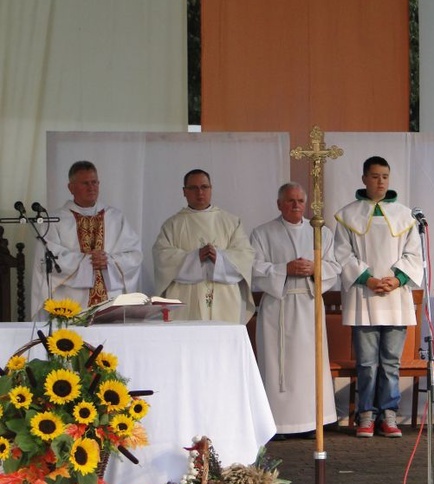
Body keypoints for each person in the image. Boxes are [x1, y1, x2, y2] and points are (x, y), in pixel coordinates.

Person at [334, 156, 423, 438]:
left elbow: (414, 255)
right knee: (367, 362)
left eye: (385, 176)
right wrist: (368, 278)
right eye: (374, 176)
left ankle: (389, 415)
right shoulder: (348, 215)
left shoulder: (406, 215)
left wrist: (396, 279)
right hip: (364, 295)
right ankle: (366, 415)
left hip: (395, 297)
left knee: (390, 361)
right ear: (364, 179)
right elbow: (342, 254)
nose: (380, 181)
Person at [250, 182, 341, 439]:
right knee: (277, 363)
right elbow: (254, 267)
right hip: (277, 307)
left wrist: (315, 269)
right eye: (290, 201)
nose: (296, 205)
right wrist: (284, 269)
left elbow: (335, 266)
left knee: (309, 364)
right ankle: (277, 424)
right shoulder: (262, 233)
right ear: (279, 204)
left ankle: (313, 422)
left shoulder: (321, 232)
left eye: (300, 200)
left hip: (309, 304)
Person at [30, 161, 142, 317]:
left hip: (110, 300)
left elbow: (134, 255)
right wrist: (86, 261)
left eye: (94, 182)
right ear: (71, 187)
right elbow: (47, 260)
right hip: (71, 303)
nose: (91, 188)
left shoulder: (115, 217)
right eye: (85, 183)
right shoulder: (54, 220)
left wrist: (109, 261)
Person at [152, 169, 255, 323]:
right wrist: (194, 258)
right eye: (193, 188)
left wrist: (220, 258)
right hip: (186, 299)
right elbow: (162, 257)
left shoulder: (231, 222)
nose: (199, 192)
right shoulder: (172, 225)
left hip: (224, 298)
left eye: (204, 187)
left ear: (211, 189)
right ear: (184, 192)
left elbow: (245, 256)